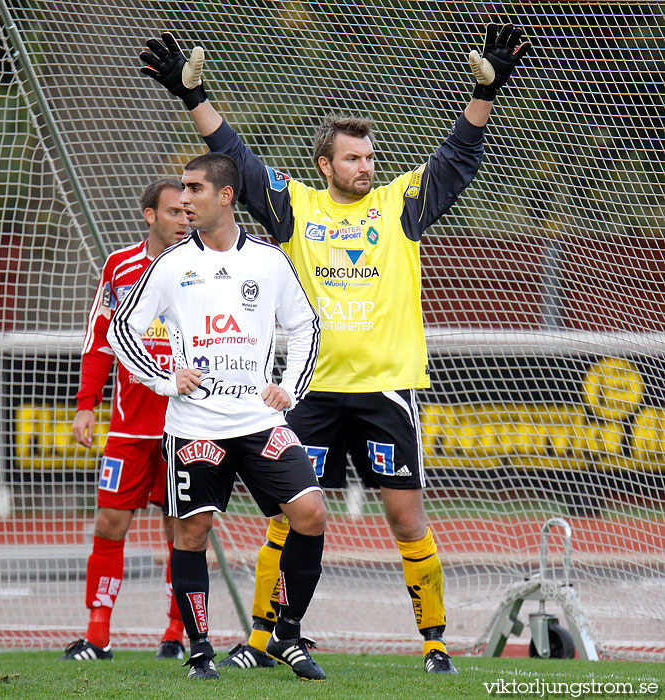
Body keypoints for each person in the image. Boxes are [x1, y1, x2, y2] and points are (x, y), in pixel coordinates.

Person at [138, 23, 531, 675]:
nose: (364, 166)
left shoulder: (399, 204)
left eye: (368, 157)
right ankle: (263, 640)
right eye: (352, 158)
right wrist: (193, 95)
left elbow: (456, 161)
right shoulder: (295, 207)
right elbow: (235, 155)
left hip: (384, 387)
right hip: (310, 392)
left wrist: (483, 94)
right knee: (289, 519)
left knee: (405, 520)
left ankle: (433, 644)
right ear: (325, 165)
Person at [107, 152, 327, 681]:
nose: (184, 199)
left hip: (258, 421)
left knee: (311, 514)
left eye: (194, 189)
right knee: (191, 535)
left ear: (225, 196)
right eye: (182, 191)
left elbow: (305, 326)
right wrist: (164, 379)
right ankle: (201, 650)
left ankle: (287, 635)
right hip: (194, 427)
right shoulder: (173, 262)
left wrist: (290, 390)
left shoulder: (270, 260)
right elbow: (122, 330)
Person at [63, 179, 190, 661]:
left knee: (181, 529)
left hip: (187, 426)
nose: (183, 218)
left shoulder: (202, 268)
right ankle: (98, 636)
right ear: (150, 216)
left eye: (187, 211)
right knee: (110, 522)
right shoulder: (119, 267)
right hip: (129, 427)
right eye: (174, 211)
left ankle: (176, 636)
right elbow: (98, 340)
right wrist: (85, 403)